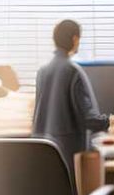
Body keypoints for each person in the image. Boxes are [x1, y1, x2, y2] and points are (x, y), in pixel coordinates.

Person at [33, 19, 109, 175]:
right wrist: (109, 122)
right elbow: (88, 118)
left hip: (42, 155)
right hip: (68, 155)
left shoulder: (42, 71)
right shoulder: (73, 71)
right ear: (75, 39)